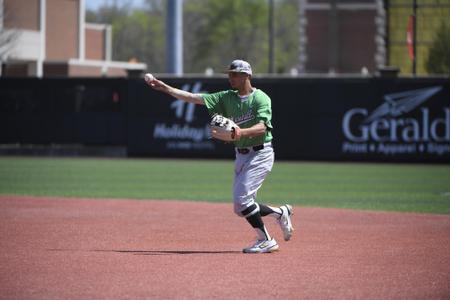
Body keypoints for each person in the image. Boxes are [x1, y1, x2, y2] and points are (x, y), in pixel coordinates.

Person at [147, 59, 294, 253]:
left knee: (242, 201)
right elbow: (193, 97)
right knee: (240, 207)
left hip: (261, 153)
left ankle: (266, 240)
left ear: (246, 75)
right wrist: (166, 88)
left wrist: (240, 132)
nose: (230, 77)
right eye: (229, 74)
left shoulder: (261, 98)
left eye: (234, 74)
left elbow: (262, 127)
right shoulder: (226, 97)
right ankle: (280, 213)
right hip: (241, 154)